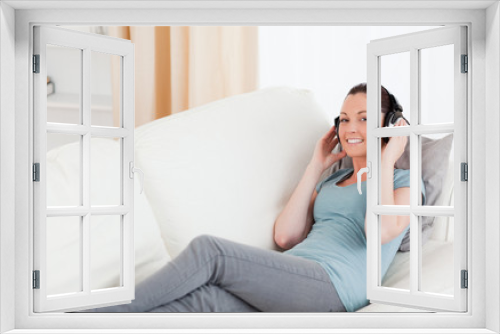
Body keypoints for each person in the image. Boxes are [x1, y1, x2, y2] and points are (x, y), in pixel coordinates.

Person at [83, 83, 424, 313]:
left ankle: (96, 319)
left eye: (364, 120)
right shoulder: (333, 179)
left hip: (332, 286)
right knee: (203, 301)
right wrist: (315, 165)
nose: (350, 129)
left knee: (210, 251)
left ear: (390, 125)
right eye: (345, 119)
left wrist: (388, 157)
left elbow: (378, 231)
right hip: (298, 275)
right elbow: (285, 236)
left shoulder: (404, 182)